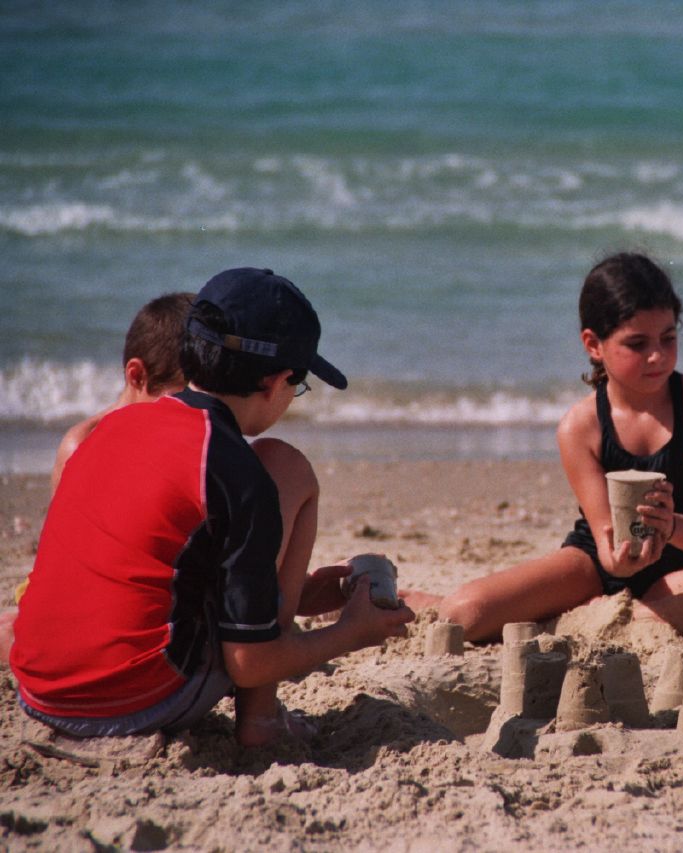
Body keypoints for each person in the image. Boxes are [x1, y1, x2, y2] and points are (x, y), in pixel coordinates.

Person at [10, 268, 414, 747]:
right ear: (276, 381)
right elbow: (250, 662)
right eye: (299, 385)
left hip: (37, 690)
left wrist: (298, 593)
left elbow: (147, 568)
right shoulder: (235, 470)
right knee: (289, 467)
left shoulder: (109, 431)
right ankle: (261, 720)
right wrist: (350, 632)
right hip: (130, 701)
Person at [436, 252, 683, 643]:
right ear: (593, 344)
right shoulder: (580, 426)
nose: (658, 355)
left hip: (680, 572)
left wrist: (668, 526)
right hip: (594, 568)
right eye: (637, 343)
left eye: (668, 338)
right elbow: (605, 542)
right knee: (460, 614)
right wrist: (616, 559)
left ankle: (614, 619)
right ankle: (630, 618)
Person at [0, 292, 195, 664]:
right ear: (136, 375)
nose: (193, 413)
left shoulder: (183, 443)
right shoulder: (83, 445)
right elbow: (73, 567)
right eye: (181, 398)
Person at [51, 291, 196, 491]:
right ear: (136, 376)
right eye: (185, 396)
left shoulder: (194, 443)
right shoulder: (83, 446)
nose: (199, 409)